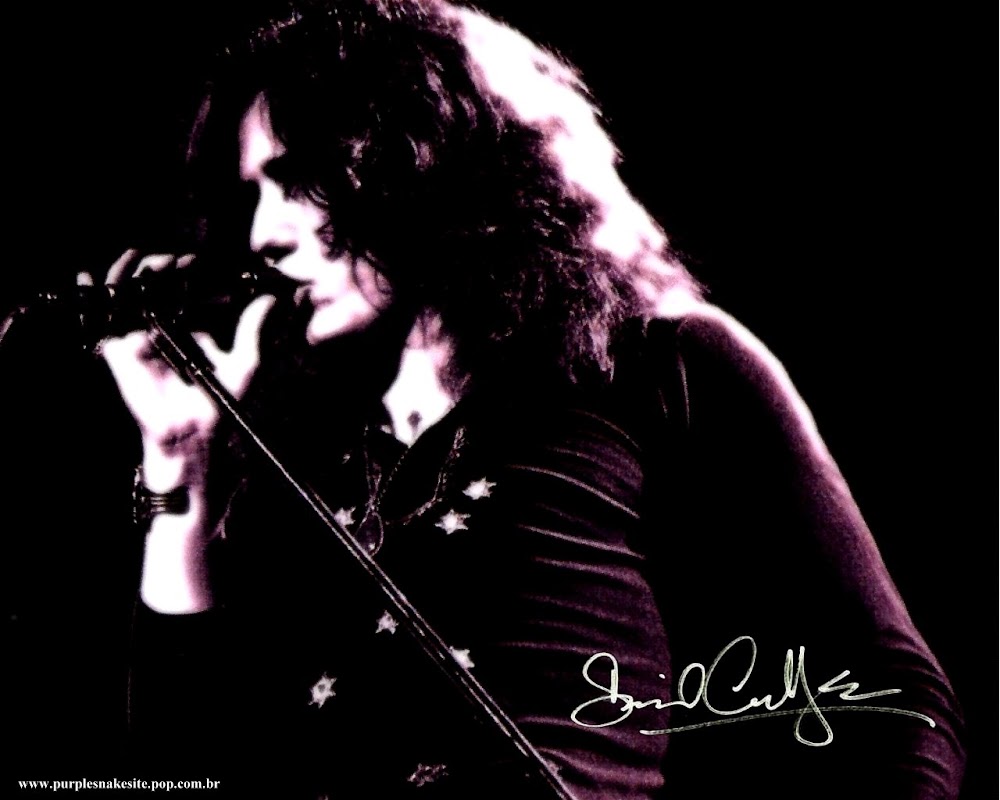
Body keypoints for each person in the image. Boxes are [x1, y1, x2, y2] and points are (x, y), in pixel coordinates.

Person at [6, 1, 965, 798]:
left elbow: (893, 703)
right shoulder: (292, 449)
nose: (263, 235)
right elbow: (179, 774)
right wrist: (180, 462)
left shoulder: (656, 365)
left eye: (297, 182)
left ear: (422, 159)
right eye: (250, 194)